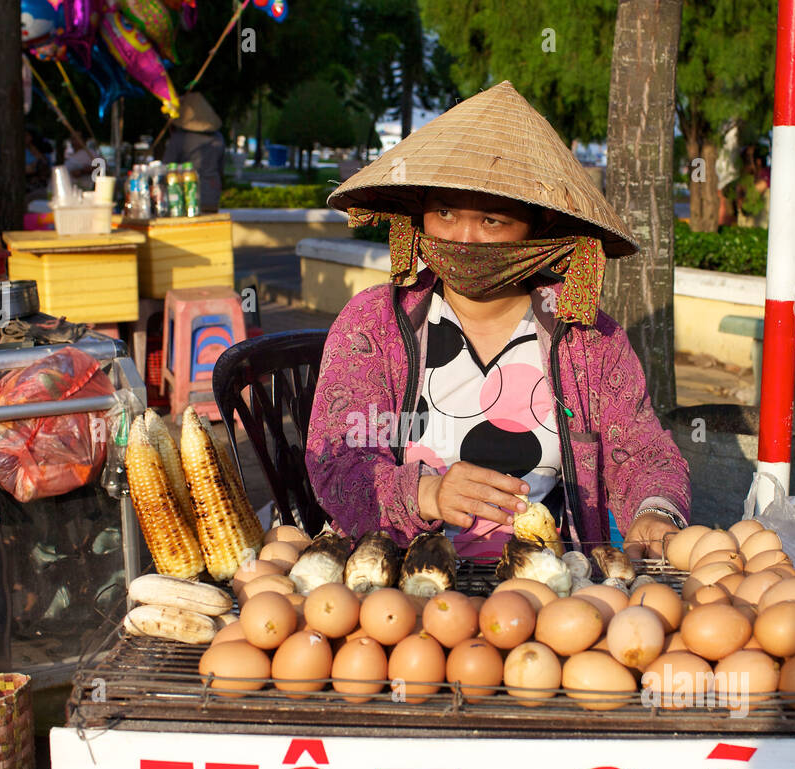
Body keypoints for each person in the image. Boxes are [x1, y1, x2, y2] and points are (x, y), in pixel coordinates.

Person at [306, 81, 690, 559]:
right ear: (419, 216)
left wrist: (655, 511)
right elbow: (336, 459)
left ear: (539, 229)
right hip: (398, 580)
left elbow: (641, 449)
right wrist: (426, 494)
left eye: (492, 220)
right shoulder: (374, 323)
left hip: (552, 584)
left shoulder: (588, 338)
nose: (463, 239)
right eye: (444, 212)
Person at [160, 92, 224, 212]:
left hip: (187, 196)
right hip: (213, 193)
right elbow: (221, 170)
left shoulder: (180, 138)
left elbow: (166, 168)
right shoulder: (218, 137)